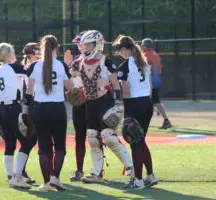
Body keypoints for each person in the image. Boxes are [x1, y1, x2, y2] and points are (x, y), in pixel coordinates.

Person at [72, 30, 133, 183]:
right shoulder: (79, 62)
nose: (84, 47)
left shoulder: (106, 61)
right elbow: (74, 82)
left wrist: (119, 102)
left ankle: (131, 168)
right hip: (89, 103)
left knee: (108, 136)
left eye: (87, 44)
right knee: (92, 136)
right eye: (83, 44)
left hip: (104, 101)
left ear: (97, 44)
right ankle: (96, 173)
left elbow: (115, 83)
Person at [25, 35, 74, 191]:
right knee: (60, 147)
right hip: (57, 108)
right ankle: (55, 178)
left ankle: (46, 183)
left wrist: (26, 108)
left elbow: (29, 90)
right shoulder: (61, 65)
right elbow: (71, 88)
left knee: (44, 148)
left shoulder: (34, 66)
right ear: (56, 47)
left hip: (39, 108)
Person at [113, 35, 158, 189]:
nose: (119, 53)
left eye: (119, 49)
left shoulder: (124, 67)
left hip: (134, 104)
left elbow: (126, 90)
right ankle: (150, 175)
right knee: (141, 141)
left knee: (135, 143)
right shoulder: (143, 62)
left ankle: (138, 180)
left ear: (126, 48)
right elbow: (150, 87)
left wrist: (121, 105)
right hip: (147, 103)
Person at [0, 42, 36, 189]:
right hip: (12, 108)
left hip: (2, 109)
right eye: (13, 52)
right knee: (27, 142)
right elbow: (31, 72)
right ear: (8, 55)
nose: (15, 55)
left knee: (10, 144)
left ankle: (10, 176)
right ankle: (17, 176)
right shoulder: (13, 67)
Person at [64, 31, 87, 182]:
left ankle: (99, 170)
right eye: (77, 42)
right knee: (80, 137)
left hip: (95, 102)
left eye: (81, 42)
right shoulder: (76, 61)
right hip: (79, 104)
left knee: (98, 136)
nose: (78, 45)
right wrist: (67, 65)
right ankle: (79, 170)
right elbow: (69, 80)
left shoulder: (100, 60)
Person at [141, 38, 172, 129]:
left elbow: (146, 69)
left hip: (151, 82)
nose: (142, 47)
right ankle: (163, 118)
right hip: (157, 80)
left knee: (155, 101)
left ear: (145, 46)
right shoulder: (155, 54)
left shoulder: (145, 55)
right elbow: (159, 68)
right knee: (153, 101)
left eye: (143, 45)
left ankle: (166, 120)